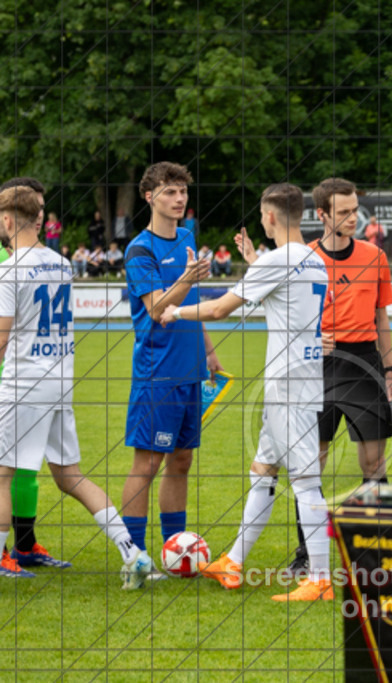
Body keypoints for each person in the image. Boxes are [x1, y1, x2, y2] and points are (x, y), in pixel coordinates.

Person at [162, 184, 333, 601]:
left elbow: (220, 308)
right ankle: (233, 563)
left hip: (287, 385)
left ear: (270, 217)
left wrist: (175, 311)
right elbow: (284, 297)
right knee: (263, 471)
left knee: (306, 482)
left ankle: (322, 579)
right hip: (301, 379)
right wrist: (257, 263)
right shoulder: (314, 259)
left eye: (261, 215)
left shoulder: (278, 261)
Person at [0, 185, 153, 587]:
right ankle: (132, 551)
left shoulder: (10, 269)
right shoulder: (62, 264)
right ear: (40, 219)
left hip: (23, 382)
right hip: (59, 383)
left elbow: (1, 337)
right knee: (70, 476)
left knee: (2, 474)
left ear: (7, 220)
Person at [286, 177, 392, 575]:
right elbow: (284, 316)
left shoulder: (374, 255)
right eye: (345, 212)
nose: (354, 218)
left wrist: (389, 370)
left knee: (374, 462)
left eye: (356, 210)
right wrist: (313, 337)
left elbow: (381, 316)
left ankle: (378, 553)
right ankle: (306, 556)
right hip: (317, 367)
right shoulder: (303, 258)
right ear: (322, 215)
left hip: (366, 363)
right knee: (310, 462)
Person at [121, 162, 222, 577]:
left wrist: (209, 352)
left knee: (181, 460)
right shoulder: (139, 250)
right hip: (157, 375)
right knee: (147, 464)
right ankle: (136, 557)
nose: (179, 199)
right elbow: (158, 310)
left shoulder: (185, 236)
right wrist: (186, 276)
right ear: (149, 197)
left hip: (190, 371)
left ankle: (173, 551)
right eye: (169, 192)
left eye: (182, 192)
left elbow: (189, 306)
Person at [0, 176, 73, 570]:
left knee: (23, 468)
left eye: (42, 209)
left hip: (25, 375)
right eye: (35, 208)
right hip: (11, 374)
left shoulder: (30, 259)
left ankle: (24, 545)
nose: (41, 216)